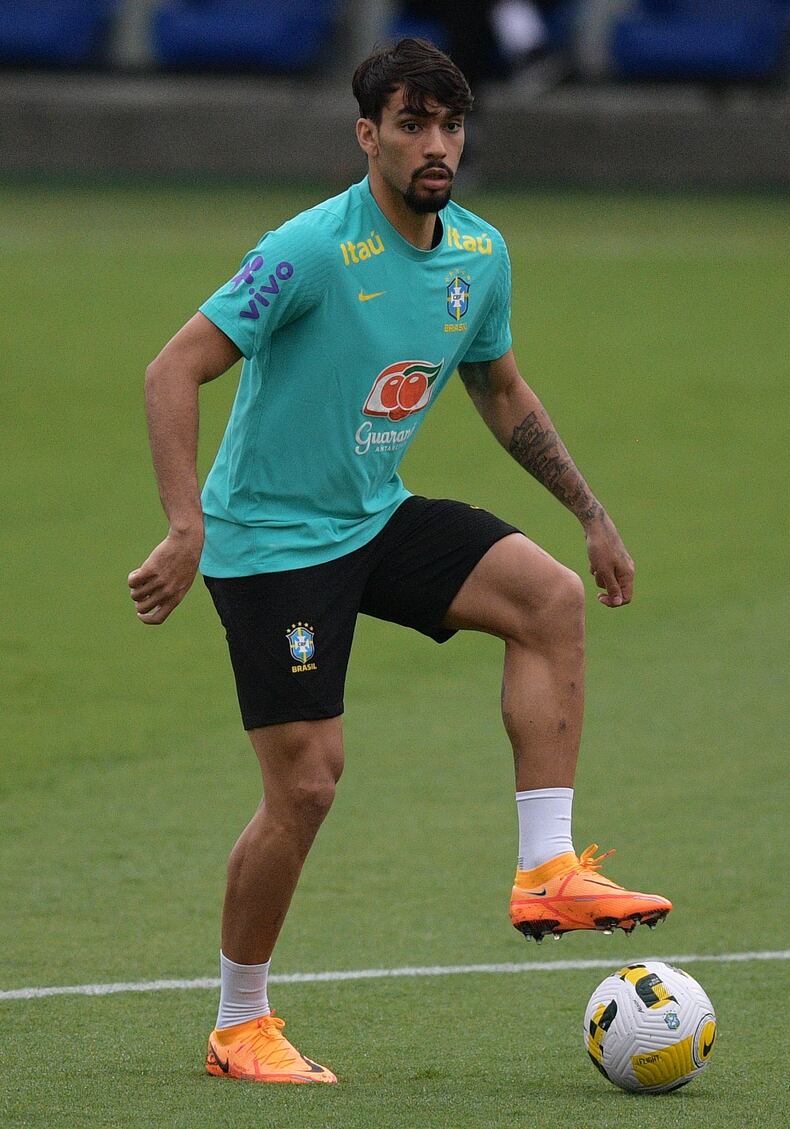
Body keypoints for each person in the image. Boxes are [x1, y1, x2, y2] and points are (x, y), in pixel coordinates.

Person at [128, 37, 671, 1086]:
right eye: (413, 124)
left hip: (368, 514)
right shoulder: (311, 249)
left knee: (549, 598)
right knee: (309, 786)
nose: (437, 146)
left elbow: (501, 392)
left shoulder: (476, 253)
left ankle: (545, 869)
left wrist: (591, 513)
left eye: (452, 124)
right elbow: (172, 369)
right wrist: (185, 525)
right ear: (366, 133)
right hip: (272, 543)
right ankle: (239, 1021)